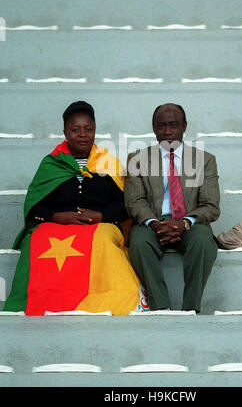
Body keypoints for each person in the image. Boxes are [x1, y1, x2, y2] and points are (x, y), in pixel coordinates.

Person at [4, 101, 149, 315]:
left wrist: (101, 215)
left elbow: (126, 207)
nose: (82, 134)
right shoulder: (51, 165)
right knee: (38, 239)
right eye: (75, 130)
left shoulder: (109, 163)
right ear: (65, 132)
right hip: (55, 225)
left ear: (95, 131)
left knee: (102, 240)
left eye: (88, 129)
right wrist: (56, 216)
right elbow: (34, 207)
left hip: (100, 226)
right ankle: (36, 304)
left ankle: (116, 301)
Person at [124, 103, 220, 313]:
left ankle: (190, 309)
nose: (167, 131)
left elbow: (210, 205)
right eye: (162, 126)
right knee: (138, 243)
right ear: (154, 128)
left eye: (174, 125)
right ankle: (161, 307)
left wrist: (184, 223)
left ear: (185, 126)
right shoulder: (137, 159)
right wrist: (156, 224)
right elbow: (135, 201)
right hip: (152, 223)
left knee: (203, 241)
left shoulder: (205, 160)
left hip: (189, 224)